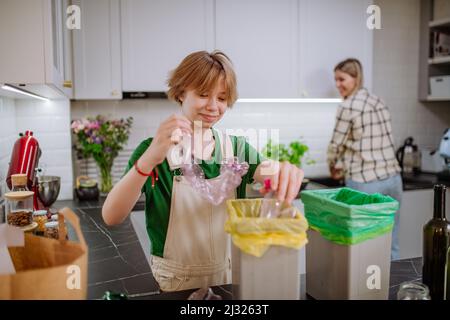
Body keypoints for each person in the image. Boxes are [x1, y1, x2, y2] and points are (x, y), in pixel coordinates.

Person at [102, 50, 304, 291]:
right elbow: (111, 216)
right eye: (203, 94)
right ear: (180, 93)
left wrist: (283, 171)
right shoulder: (154, 150)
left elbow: (268, 170)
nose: (213, 106)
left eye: (222, 98)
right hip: (176, 285)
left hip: (230, 278)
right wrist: (148, 160)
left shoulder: (237, 148)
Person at [327, 58, 402, 260]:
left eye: (342, 79)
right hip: (393, 180)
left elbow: (336, 145)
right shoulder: (378, 101)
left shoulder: (348, 106)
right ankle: (391, 286)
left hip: (365, 182)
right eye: (335, 80)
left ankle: (364, 290)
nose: (337, 85)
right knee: (390, 241)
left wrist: (332, 166)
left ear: (355, 78)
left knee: (362, 246)